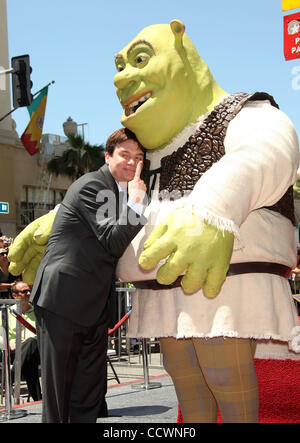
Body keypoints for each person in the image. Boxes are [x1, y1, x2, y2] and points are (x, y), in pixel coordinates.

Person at [113, 20, 300, 423]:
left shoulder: (244, 112)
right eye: (119, 66)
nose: (122, 77)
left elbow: (267, 152)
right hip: (164, 287)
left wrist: (212, 209)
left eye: (139, 59)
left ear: (181, 45)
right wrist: (62, 227)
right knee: (186, 382)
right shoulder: (150, 154)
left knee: (226, 379)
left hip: (226, 284)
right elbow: (115, 204)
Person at [29, 128, 147, 423]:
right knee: (61, 398)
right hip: (63, 301)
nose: (132, 163)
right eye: (125, 155)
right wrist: (135, 203)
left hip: (94, 307)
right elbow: (113, 240)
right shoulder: (93, 186)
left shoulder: (119, 194)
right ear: (107, 156)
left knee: (88, 396)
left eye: (138, 158)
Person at [8, 281, 41, 401]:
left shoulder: (38, 313)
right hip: (13, 352)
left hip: (37, 350)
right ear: (14, 295)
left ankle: (11, 376)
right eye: (24, 291)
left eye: (29, 291)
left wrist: (31, 340)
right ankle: (38, 399)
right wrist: (8, 342)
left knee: (31, 342)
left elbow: (44, 334)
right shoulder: (6, 312)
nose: (28, 293)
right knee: (28, 361)